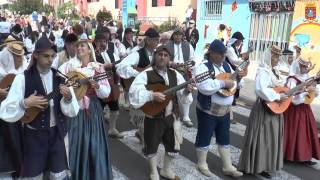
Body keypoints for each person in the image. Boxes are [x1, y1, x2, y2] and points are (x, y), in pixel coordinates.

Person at [0, 36, 79, 179]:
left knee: (58, 174)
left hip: (57, 134)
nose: (50, 60)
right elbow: (4, 110)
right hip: (34, 137)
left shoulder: (60, 77)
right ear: (36, 55)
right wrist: (24, 103)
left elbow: (72, 111)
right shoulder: (22, 78)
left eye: (53, 56)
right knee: (34, 175)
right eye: (46, 56)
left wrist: (68, 98)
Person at [129, 45, 192, 180]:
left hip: (171, 116)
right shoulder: (146, 74)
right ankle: (153, 171)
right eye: (160, 54)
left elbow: (183, 96)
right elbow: (134, 92)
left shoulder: (175, 74)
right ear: (155, 56)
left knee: (173, 145)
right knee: (151, 145)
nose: (162, 57)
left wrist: (187, 91)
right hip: (153, 116)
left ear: (169, 58)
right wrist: (151, 95)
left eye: (165, 55)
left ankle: (166, 170)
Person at [58, 39, 113, 180]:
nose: (79, 48)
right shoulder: (68, 66)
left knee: (94, 143)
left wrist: (97, 86)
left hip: (92, 109)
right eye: (78, 46)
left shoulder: (97, 68)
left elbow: (106, 92)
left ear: (89, 50)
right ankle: (76, 174)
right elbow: (60, 82)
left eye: (82, 45)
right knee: (75, 142)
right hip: (74, 108)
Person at [193, 40, 244, 178]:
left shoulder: (227, 66)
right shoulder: (203, 67)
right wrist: (222, 83)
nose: (223, 56)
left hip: (225, 111)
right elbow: (203, 86)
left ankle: (227, 166)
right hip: (208, 110)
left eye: (224, 53)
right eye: (220, 54)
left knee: (224, 137)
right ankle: (202, 163)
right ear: (212, 53)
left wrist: (238, 79)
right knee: (204, 136)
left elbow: (238, 85)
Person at [238, 45, 285, 179]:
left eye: (278, 56)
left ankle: (264, 165)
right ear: (268, 56)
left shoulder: (275, 71)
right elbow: (260, 90)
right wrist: (277, 96)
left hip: (275, 108)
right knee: (261, 137)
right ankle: (252, 165)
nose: (276, 59)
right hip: (264, 108)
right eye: (274, 56)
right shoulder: (263, 71)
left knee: (270, 138)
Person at [116, 28, 160, 143]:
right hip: (140, 90)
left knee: (151, 116)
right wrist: (137, 74)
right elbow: (121, 66)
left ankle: (142, 134)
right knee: (141, 117)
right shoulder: (137, 54)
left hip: (152, 89)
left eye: (158, 40)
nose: (157, 42)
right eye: (155, 40)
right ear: (148, 40)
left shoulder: (158, 54)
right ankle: (144, 139)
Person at [283, 56, 320, 165]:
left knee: (306, 132)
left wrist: (313, 91)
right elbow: (292, 98)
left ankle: (305, 156)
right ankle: (288, 154)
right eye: (302, 66)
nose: (305, 68)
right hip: (293, 110)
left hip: (304, 108)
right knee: (293, 132)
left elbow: (313, 92)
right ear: (297, 66)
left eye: (305, 66)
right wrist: (305, 92)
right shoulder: (292, 79)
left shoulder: (306, 77)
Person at [0, 42, 27, 179]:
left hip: (16, 118)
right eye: (16, 57)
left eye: (20, 57)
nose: (19, 60)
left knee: (15, 147)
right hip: (2, 120)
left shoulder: (23, 70)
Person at [94, 33, 123, 138]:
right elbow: (91, 68)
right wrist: (103, 66)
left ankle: (112, 129)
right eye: (100, 41)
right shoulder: (92, 54)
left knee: (115, 109)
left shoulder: (112, 53)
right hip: (99, 85)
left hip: (112, 84)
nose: (103, 43)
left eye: (105, 41)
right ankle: (96, 130)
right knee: (98, 110)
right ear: (96, 42)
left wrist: (117, 81)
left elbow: (118, 67)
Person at [165, 27, 195, 127]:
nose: (178, 36)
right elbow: (162, 58)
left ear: (183, 36)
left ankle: (186, 116)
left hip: (184, 73)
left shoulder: (188, 46)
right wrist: (170, 63)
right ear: (173, 36)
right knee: (170, 95)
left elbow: (192, 59)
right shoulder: (167, 45)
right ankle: (169, 116)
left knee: (187, 93)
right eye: (176, 34)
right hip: (171, 72)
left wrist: (189, 66)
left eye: (180, 34)